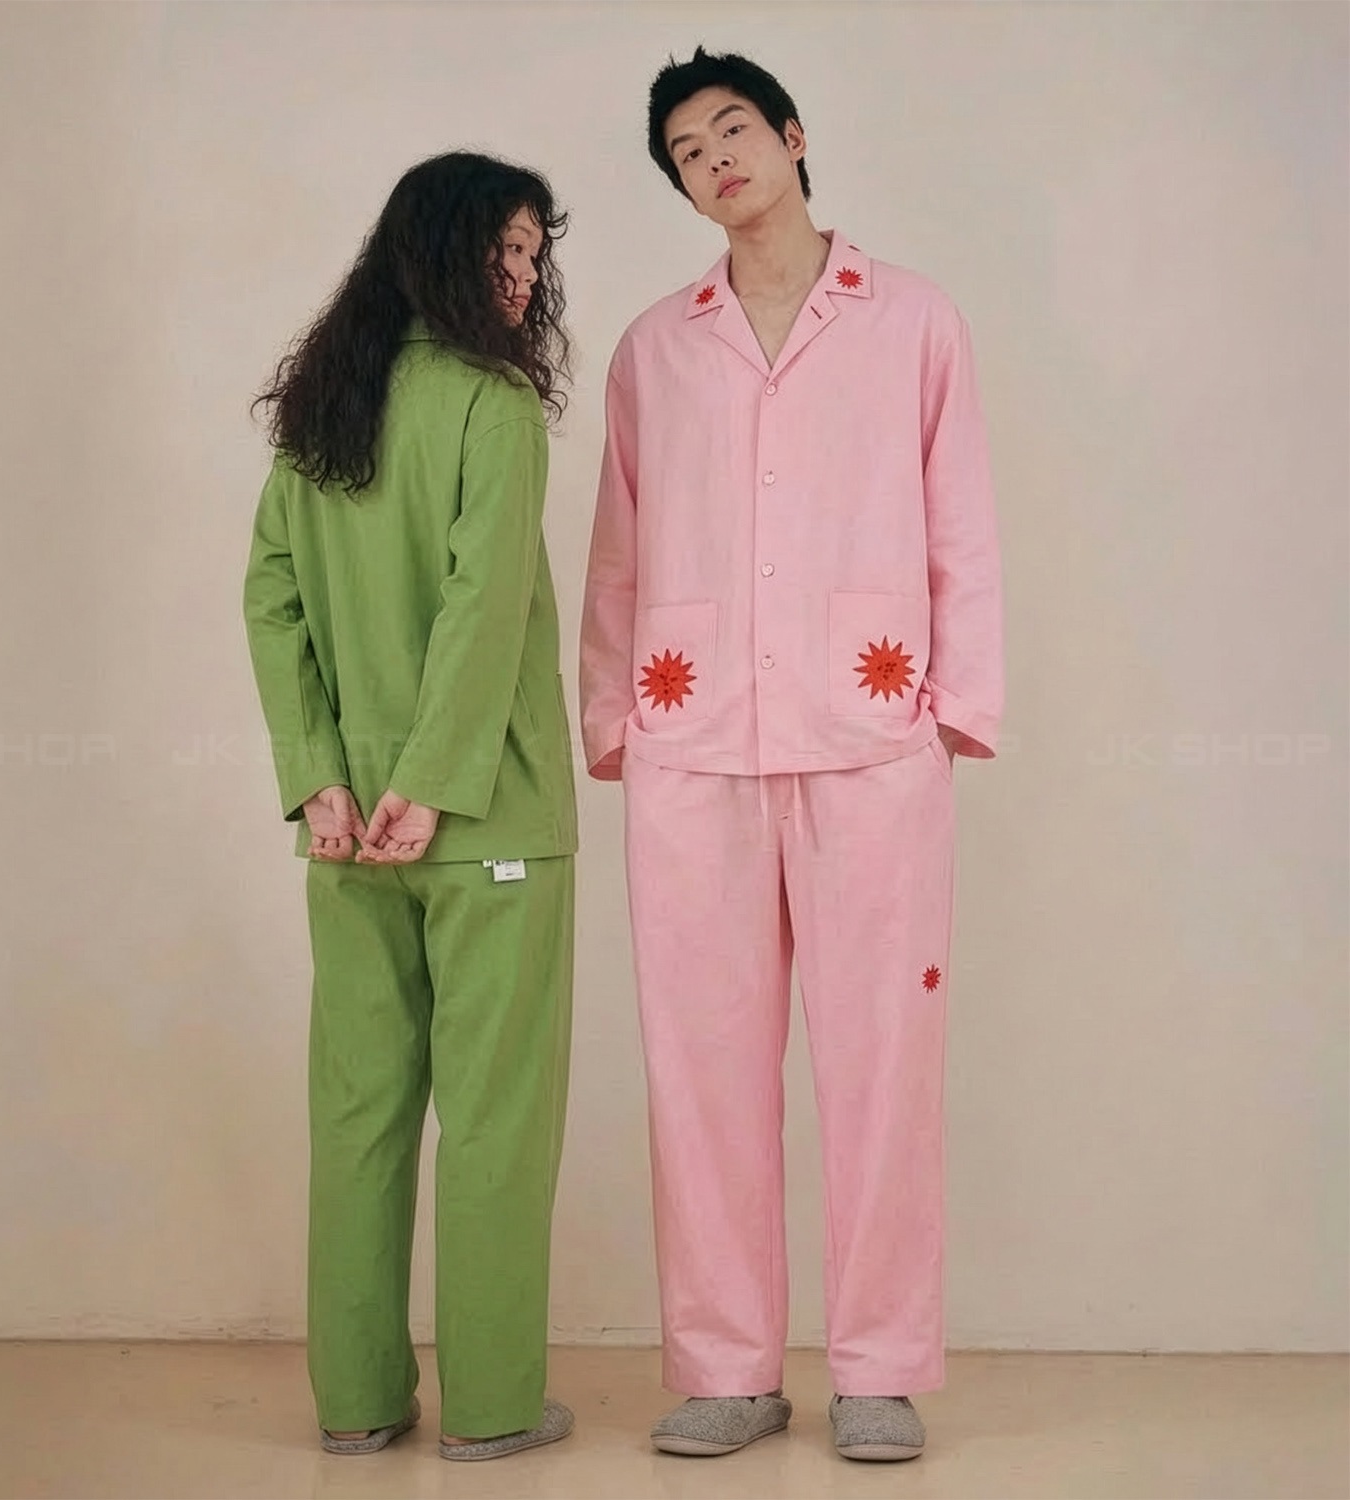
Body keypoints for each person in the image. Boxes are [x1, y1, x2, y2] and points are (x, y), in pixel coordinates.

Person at [580, 47, 1003, 1463]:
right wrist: (611, 715)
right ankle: (727, 1367)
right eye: (688, 154)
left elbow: (961, 518)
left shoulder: (915, 321)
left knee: (884, 1063)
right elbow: (621, 544)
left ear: (794, 134)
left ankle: (878, 1365)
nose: (717, 160)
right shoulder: (656, 348)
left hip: (872, 738)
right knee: (701, 1064)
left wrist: (954, 704)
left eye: (733, 130)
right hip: (691, 741)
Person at [244, 151, 578, 1462]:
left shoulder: (325, 410)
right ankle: (492, 1410)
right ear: (442, 252)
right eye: (506, 250)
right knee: (496, 1119)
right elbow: (485, 608)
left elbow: (272, 601)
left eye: (535, 253)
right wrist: (432, 787)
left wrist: (319, 777)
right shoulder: (494, 406)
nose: (525, 274)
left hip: (345, 835)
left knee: (360, 1113)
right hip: (489, 824)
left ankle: (359, 1403)